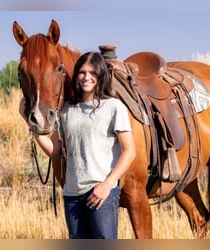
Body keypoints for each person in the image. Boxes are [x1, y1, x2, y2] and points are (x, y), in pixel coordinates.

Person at [19, 51, 135, 239]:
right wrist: (29, 123)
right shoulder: (66, 110)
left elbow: (129, 151)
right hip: (72, 194)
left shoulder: (114, 107)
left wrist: (108, 184)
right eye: (82, 72)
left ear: (101, 75)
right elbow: (53, 149)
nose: (87, 77)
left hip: (101, 194)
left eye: (93, 72)